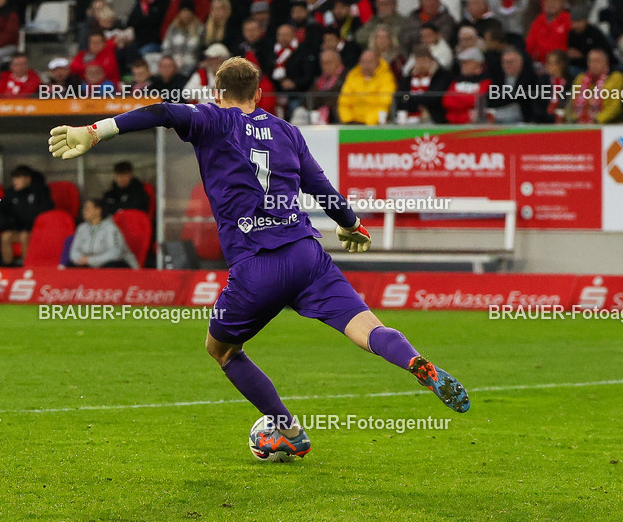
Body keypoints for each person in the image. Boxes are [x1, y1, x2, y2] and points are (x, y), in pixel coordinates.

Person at [48, 57, 469, 460]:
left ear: (217, 92)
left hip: (255, 265)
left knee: (223, 350)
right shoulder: (287, 132)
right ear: (259, 93)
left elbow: (162, 111)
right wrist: (350, 224)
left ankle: (288, 430)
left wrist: (96, 130)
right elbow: (321, 187)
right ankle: (413, 361)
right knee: (368, 328)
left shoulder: (212, 119)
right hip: (307, 254)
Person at [0, 165, 54, 266]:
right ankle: (8, 268)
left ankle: (27, 267)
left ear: (28, 179)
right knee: (5, 236)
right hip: (18, 230)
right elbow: (3, 211)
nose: (14, 181)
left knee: (25, 236)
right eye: (13, 178)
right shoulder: (11, 194)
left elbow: (44, 213)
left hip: (37, 231)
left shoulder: (40, 192)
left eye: (18, 178)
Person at [69, 199, 137, 269]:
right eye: (84, 208)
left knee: (110, 266)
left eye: (88, 208)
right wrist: (80, 259)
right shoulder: (81, 228)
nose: (84, 211)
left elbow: (115, 254)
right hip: (90, 264)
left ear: (98, 211)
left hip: (116, 263)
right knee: (71, 265)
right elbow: (74, 250)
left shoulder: (111, 228)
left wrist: (91, 260)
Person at [337, 50, 396, 125]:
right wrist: (348, 120)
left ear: (377, 62)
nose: (366, 65)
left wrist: (368, 122)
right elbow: (343, 103)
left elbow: (384, 104)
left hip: (374, 125)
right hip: (352, 124)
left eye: (370, 62)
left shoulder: (386, 78)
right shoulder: (353, 76)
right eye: (363, 62)